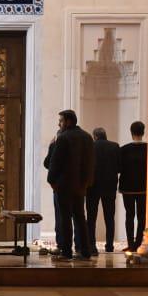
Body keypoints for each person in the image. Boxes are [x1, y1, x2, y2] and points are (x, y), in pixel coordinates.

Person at [43, 109, 96, 259]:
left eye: (60, 120)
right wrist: (87, 182)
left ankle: (66, 252)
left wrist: (51, 181)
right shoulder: (87, 137)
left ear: (68, 121)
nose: (58, 123)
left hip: (64, 185)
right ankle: (85, 251)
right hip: (81, 185)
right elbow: (91, 162)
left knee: (65, 219)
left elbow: (55, 163)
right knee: (80, 218)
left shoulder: (63, 138)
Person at [87, 126, 121, 253]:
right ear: (105, 135)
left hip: (92, 187)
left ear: (95, 136)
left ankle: (92, 245)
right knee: (109, 217)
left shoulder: (91, 146)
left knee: (91, 218)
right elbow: (119, 167)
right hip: (109, 187)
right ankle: (109, 246)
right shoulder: (115, 146)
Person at [119, 121, 148, 251]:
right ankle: (139, 243)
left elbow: (119, 168)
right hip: (144, 188)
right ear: (143, 132)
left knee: (129, 216)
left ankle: (131, 244)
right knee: (142, 216)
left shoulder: (124, 150)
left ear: (131, 133)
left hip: (128, 188)